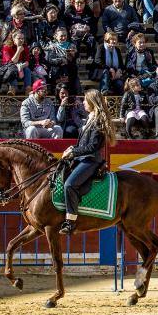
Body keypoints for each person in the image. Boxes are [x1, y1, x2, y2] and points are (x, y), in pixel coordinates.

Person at [58, 89, 116, 235]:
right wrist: (72, 149)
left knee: (70, 184)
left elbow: (92, 147)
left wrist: (74, 152)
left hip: (91, 160)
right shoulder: (91, 118)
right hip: (82, 158)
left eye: (85, 100)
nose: (83, 102)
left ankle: (71, 222)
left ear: (92, 102)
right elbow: (83, 144)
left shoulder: (98, 121)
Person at [0, 30, 31, 94]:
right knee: (13, 70)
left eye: (22, 38)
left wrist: (21, 66)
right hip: (8, 68)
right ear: (13, 39)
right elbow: (12, 62)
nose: (21, 40)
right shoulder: (7, 47)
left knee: (27, 70)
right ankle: (12, 88)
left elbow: (27, 61)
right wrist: (18, 50)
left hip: (20, 66)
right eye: (19, 38)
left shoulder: (25, 47)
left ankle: (28, 88)